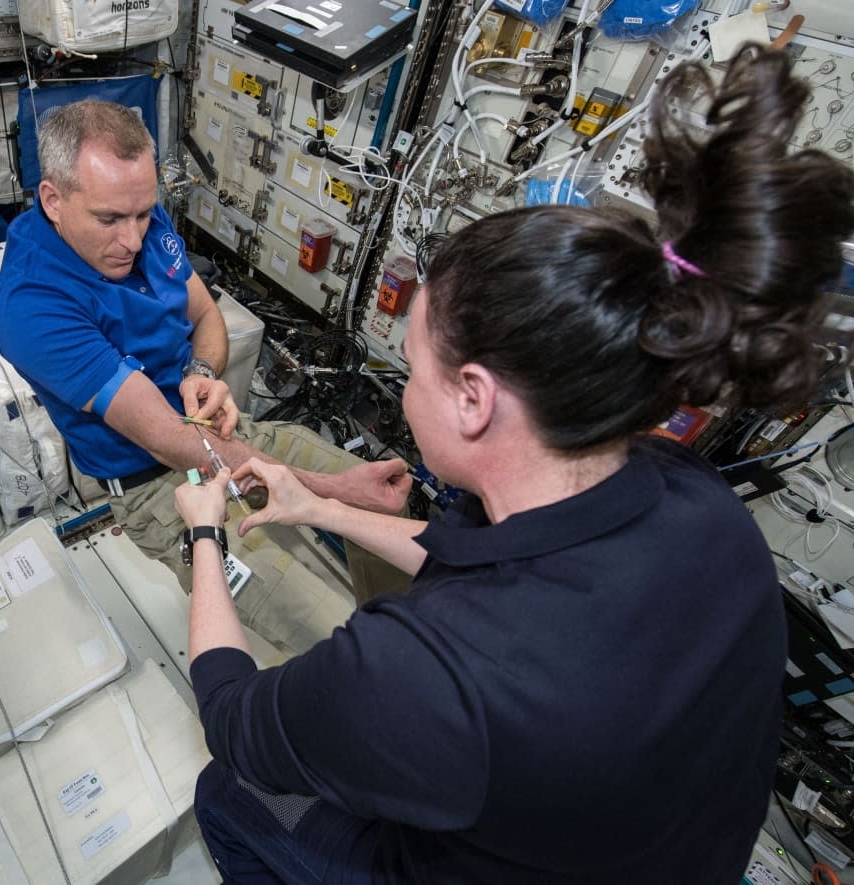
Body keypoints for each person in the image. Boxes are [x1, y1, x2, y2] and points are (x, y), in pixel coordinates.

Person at [173, 46, 854, 883]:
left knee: (229, 789)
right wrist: (317, 507)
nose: (404, 384)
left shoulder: (419, 675)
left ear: (473, 396)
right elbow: (492, 562)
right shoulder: (704, 509)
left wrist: (206, 535)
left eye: (412, 364)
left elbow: (235, 717)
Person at [0, 99, 410, 656]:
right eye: (110, 220)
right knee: (344, 640)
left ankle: (411, 633)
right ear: (53, 200)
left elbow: (206, 316)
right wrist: (328, 494)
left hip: (220, 439)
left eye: (144, 214)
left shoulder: (134, 214)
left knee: (386, 501)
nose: (134, 240)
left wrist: (201, 371)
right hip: (160, 486)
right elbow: (171, 441)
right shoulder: (33, 306)